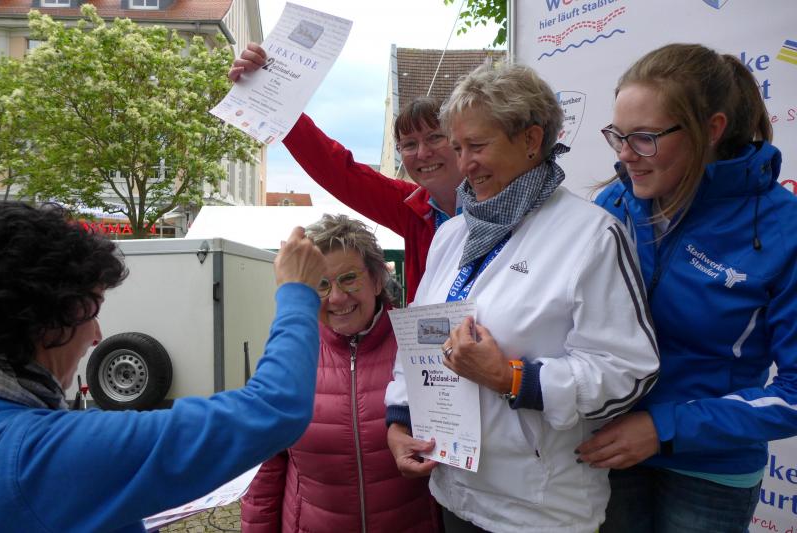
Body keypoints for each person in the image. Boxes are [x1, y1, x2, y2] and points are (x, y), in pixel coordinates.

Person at [384, 64, 660, 533]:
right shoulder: (452, 235)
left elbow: (627, 372)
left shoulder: (591, 235)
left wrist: (511, 378)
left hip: (539, 509)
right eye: (457, 148)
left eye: (477, 146)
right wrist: (400, 420)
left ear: (531, 139)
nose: (464, 164)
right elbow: (421, 337)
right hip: (454, 490)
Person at [575, 43, 797, 533]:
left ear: (711, 130)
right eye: (618, 136)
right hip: (610, 447)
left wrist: (664, 427)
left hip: (710, 469)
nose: (625, 155)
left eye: (644, 138)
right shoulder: (616, 202)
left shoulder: (784, 227)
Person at [0, 202, 326, 532]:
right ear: (49, 321)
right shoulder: (33, 455)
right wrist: (297, 291)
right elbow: (275, 408)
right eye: (92, 312)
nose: (97, 336)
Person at [241, 214, 438, 532]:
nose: (336, 297)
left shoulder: (418, 344)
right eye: (321, 285)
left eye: (349, 278)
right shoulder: (291, 352)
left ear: (377, 280)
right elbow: (266, 469)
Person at [229, 42, 464, 303]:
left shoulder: (494, 198)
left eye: (434, 138)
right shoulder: (411, 208)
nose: (422, 153)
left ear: (459, 141)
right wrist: (267, 89)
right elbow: (337, 170)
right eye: (409, 144)